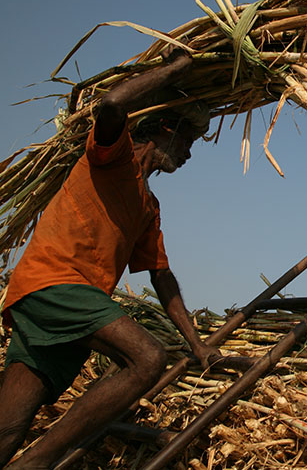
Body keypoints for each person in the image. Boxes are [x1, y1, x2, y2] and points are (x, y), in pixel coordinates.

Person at [0, 49, 222, 469]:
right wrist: (173, 69)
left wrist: (199, 345)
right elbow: (112, 105)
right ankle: (36, 464)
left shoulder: (148, 205)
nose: (190, 155)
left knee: (9, 426)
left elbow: (162, 276)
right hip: (55, 284)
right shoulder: (111, 158)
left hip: (61, 309)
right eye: (188, 141)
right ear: (163, 130)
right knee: (148, 358)